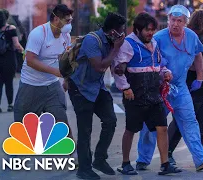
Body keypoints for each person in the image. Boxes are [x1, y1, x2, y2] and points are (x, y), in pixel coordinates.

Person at [136, 5, 203, 172]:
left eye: (179, 21)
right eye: (172, 20)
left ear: (185, 23)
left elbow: (198, 54)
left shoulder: (191, 36)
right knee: (151, 126)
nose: (175, 24)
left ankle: (201, 157)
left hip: (181, 87)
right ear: (168, 20)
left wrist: (200, 78)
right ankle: (143, 159)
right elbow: (149, 59)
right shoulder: (158, 38)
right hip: (160, 88)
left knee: (190, 121)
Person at [113, 12, 182, 176]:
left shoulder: (154, 43)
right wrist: (125, 88)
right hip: (135, 95)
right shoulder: (128, 44)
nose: (150, 33)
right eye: (147, 30)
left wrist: (165, 72)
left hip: (154, 94)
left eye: (152, 30)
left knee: (162, 128)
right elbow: (118, 69)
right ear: (137, 30)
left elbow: (159, 64)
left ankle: (165, 164)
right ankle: (125, 164)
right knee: (131, 130)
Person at [67, 12, 126, 180]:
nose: (123, 34)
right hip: (80, 88)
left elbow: (113, 66)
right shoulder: (92, 40)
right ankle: (83, 169)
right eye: (121, 30)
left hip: (97, 87)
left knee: (111, 121)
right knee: (85, 130)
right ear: (113, 31)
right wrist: (116, 49)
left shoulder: (111, 41)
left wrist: (120, 66)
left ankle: (99, 159)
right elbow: (100, 66)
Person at [167, 8, 203, 167]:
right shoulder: (193, 38)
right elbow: (190, 63)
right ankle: (167, 153)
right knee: (182, 121)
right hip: (195, 87)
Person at [14, 4, 74, 139]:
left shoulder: (66, 36)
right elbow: (30, 60)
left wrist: (66, 79)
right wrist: (55, 72)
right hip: (30, 85)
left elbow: (64, 59)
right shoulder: (38, 33)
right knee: (22, 125)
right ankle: (17, 156)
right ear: (57, 19)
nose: (70, 24)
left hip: (52, 87)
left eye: (71, 21)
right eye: (67, 21)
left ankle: (72, 153)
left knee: (61, 118)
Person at [0, 10, 24, 113]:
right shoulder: (11, 29)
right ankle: (10, 105)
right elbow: (16, 45)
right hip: (9, 59)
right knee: (9, 83)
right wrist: (24, 51)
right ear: (6, 18)